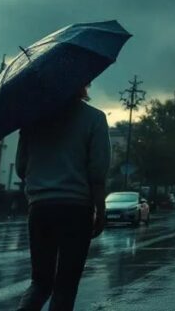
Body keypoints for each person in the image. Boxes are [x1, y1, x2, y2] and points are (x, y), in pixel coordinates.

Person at [15, 84, 110, 311]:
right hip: (76, 209)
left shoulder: (32, 119)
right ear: (83, 85)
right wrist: (101, 211)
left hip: (40, 208)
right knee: (65, 286)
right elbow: (97, 172)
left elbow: (21, 168)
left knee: (40, 283)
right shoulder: (94, 118)